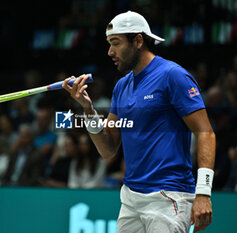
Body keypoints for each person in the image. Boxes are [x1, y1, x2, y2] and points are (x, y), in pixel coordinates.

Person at [63, 11, 215, 233]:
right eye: (108, 44)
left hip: (168, 197)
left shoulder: (173, 76)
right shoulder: (121, 87)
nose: (110, 52)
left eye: (115, 43)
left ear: (138, 41)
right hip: (131, 200)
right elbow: (108, 149)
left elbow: (206, 133)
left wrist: (203, 192)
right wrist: (88, 110)